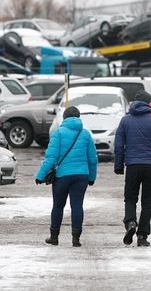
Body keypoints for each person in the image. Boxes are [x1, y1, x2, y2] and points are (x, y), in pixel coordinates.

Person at [114, 89, 151, 247]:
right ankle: (142, 235)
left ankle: (131, 222)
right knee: (147, 201)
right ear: (148, 103)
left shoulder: (125, 121)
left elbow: (119, 144)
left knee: (130, 198)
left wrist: (119, 165)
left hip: (132, 165)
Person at [35, 106, 97, 248]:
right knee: (77, 205)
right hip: (82, 175)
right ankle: (76, 239)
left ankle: (54, 237)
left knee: (58, 205)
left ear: (64, 118)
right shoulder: (86, 134)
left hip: (62, 176)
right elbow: (92, 158)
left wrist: (40, 175)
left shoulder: (58, 133)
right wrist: (91, 177)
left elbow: (51, 157)